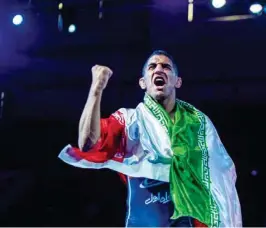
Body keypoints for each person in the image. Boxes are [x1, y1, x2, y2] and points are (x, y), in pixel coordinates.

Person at [58, 50, 242, 227]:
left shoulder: (199, 125)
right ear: (142, 82)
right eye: (152, 67)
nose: (159, 69)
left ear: (178, 82)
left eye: (166, 67)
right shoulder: (130, 122)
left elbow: (221, 176)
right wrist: (97, 88)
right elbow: (88, 144)